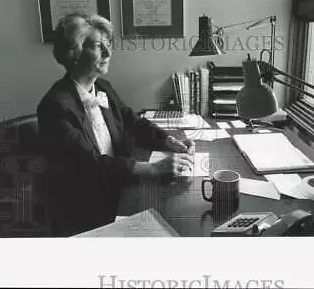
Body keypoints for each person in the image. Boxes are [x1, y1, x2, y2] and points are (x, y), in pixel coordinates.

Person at [37, 13, 195, 237]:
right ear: (74, 52)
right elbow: (89, 165)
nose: (109, 53)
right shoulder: (54, 106)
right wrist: (152, 168)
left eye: (108, 45)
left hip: (119, 188)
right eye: (98, 46)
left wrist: (169, 142)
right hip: (84, 207)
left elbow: (134, 123)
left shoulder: (103, 87)